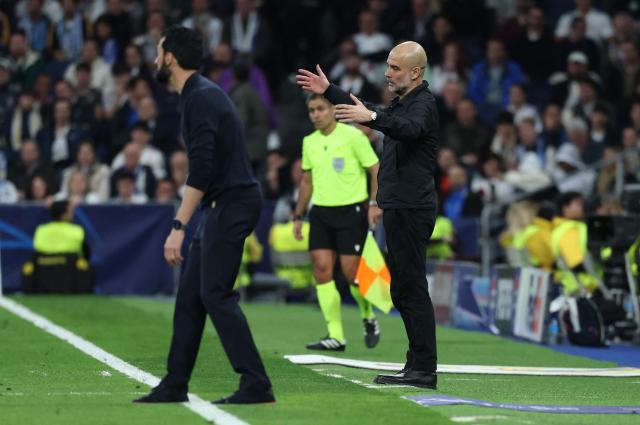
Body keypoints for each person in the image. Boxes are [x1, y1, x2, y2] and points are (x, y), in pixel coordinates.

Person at [134, 26, 273, 405]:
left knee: (215, 294)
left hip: (232, 202)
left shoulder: (201, 98)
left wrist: (178, 226)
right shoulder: (199, 94)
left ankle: (256, 384)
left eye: (159, 52)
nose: (155, 59)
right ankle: (175, 382)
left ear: (171, 59)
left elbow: (202, 168)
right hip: (222, 203)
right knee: (191, 297)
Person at [297, 40, 439, 390]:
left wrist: (373, 118)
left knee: (411, 288)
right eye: (388, 66)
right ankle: (417, 364)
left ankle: (423, 369)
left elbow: (407, 129)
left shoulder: (424, 105)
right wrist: (330, 91)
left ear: (416, 72)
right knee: (404, 289)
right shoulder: (404, 104)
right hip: (400, 207)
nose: (387, 73)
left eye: (395, 68)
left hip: (411, 208)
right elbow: (370, 110)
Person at [291, 93, 382, 351]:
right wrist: (298, 214)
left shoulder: (353, 136)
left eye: (320, 109)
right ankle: (335, 335)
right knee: (321, 271)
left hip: (350, 212)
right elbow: (306, 181)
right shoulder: (309, 142)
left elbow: (376, 169)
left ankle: (368, 315)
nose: (316, 115)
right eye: (311, 111)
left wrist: (375, 204)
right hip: (320, 213)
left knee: (352, 275)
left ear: (333, 109)